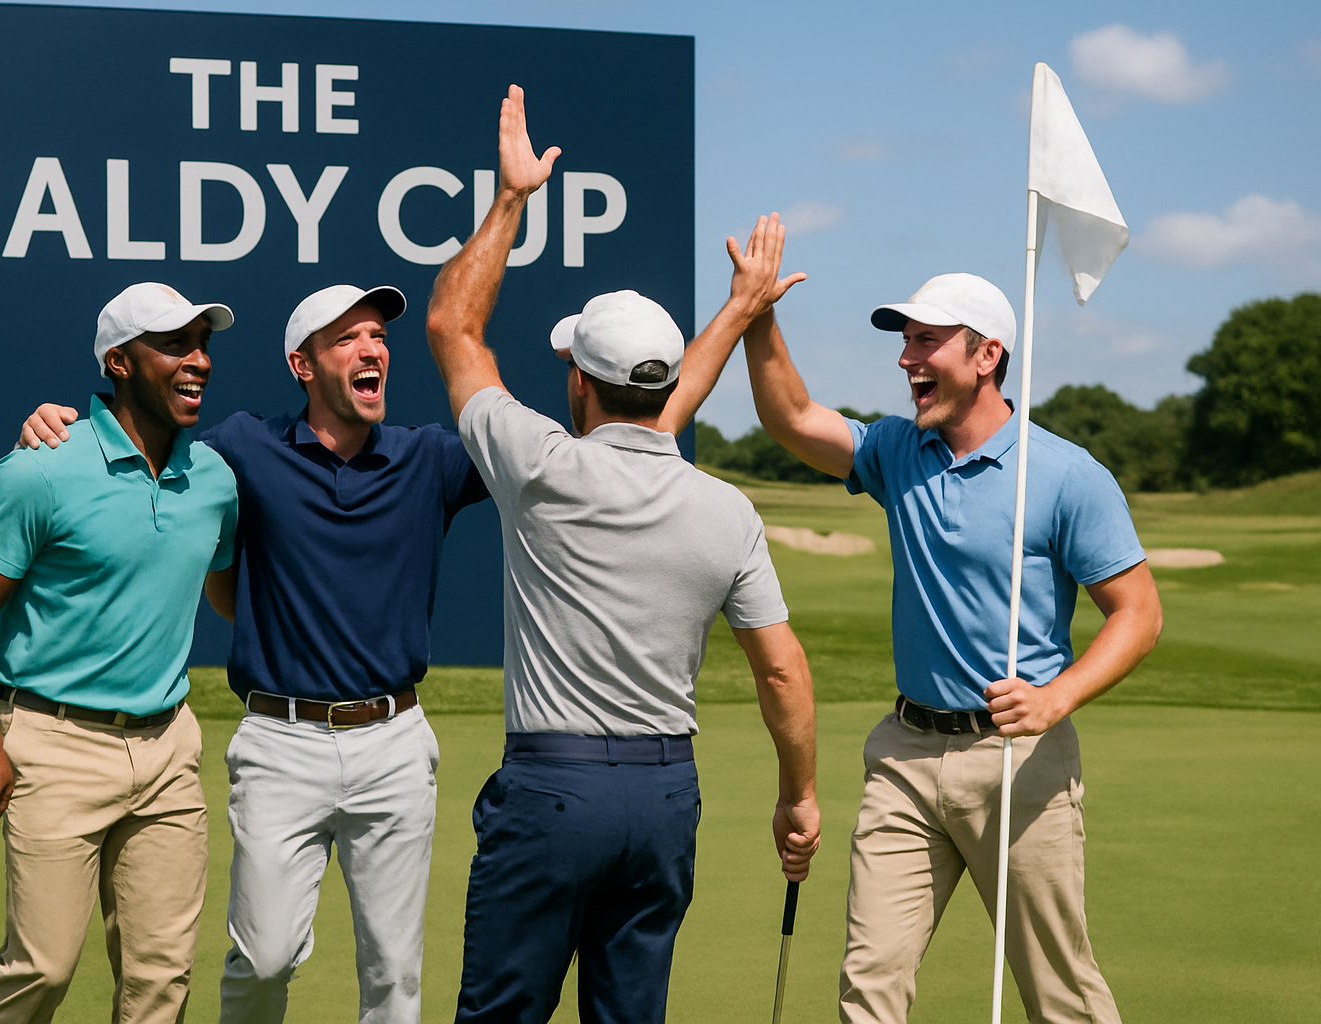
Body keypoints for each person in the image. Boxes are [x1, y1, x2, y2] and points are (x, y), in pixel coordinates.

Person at [422, 84, 820, 1024]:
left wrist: (513, 197)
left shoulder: (540, 466)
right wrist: (798, 796)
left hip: (552, 792)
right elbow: (783, 673)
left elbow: (452, 326)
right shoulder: (726, 509)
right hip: (665, 798)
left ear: (578, 382)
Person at [682, 269, 1163, 1023]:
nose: (907, 359)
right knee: (869, 986)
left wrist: (1055, 698)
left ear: (986, 356)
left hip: (1017, 759)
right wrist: (760, 317)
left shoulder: (1067, 476)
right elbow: (795, 419)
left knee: (1059, 993)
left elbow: (1139, 614)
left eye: (927, 342)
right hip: (903, 757)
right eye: (906, 341)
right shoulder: (898, 450)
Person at [18, 282, 490, 1024]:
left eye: (378, 337)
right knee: (264, 958)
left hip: (395, 743)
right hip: (280, 744)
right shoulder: (242, 448)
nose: (371, 350)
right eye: (347, 339)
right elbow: (143, 445)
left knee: (394, 972)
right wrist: (54, 423)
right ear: (303, 365)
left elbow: (543, 457)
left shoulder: (428, 458)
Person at [0, 282, 240, 1024]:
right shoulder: (39, 467)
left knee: (160, 978)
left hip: (168, 750)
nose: (198, 359)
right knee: (42, 967)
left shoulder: (214, 479)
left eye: (202, 343)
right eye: (173, 344)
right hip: (54, 744)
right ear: (120, 362)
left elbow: (229, 594)